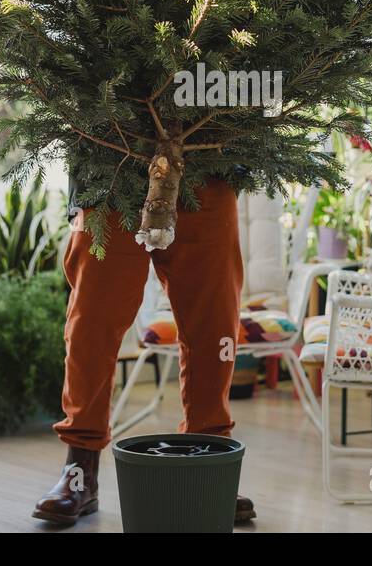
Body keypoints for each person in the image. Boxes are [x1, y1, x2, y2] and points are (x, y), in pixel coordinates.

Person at [32, 178, 255, 526]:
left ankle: (210, 465)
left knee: (214, 327)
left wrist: (235, 164)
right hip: (109, 166)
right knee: (91, 325)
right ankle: (80, 471)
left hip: (210, 164)